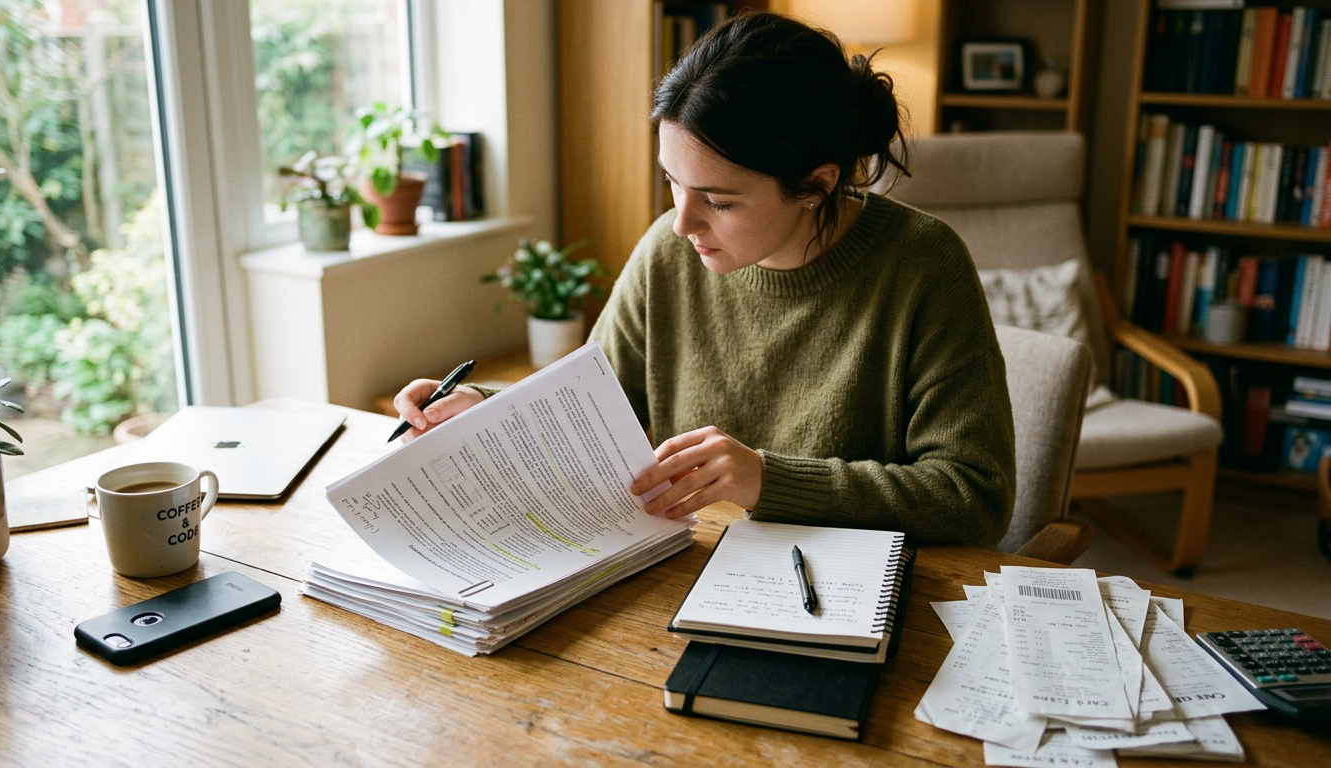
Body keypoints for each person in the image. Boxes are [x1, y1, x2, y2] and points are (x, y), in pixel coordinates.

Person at [394, 12, 1014, 548]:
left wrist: (767, 480)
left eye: (718, 200)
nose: (679, 223)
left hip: (840, 599)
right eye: (672, 181)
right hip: (689, 569)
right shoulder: (667, 259)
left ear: (816, 186)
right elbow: (583, 412)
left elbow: (975, 497)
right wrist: (477, 409)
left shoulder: (925, 266)